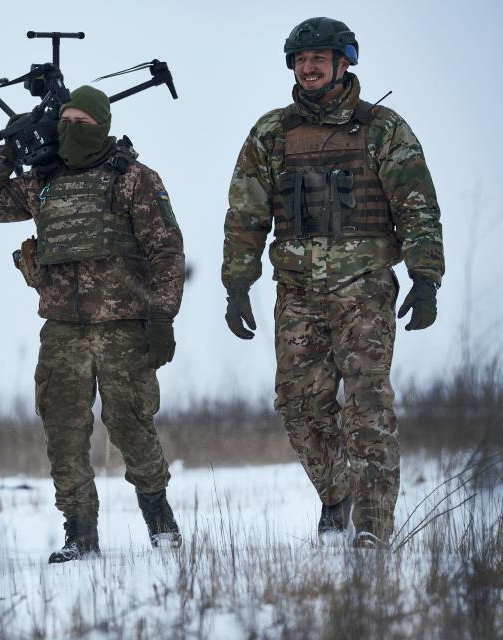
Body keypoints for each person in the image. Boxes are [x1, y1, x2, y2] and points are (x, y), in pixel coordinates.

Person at [222, 18, 445, 548]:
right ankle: (336, 492)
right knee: (299, 407)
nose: (309, 66)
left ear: (344, 63)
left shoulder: (383, 129)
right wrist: (236, 284)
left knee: (368, 407)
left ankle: (371, 527)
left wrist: (425, 276)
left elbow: (417, 207)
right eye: (301, 59)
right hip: (296, 292)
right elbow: (245, 214)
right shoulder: (270, 133)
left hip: (363, 288)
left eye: (320, 57)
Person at [0, 86, 186, 563]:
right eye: (64, 122)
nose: (71, 131)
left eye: (82, 123)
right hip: (63, 329)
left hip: (124, 327)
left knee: (131, 426)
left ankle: (161, 522)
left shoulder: (132, 179)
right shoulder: (42, 183)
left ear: (103, 126)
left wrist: (163, 316)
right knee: (64, 432)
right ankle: (80, 534)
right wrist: (10, 149)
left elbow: (166, 250)